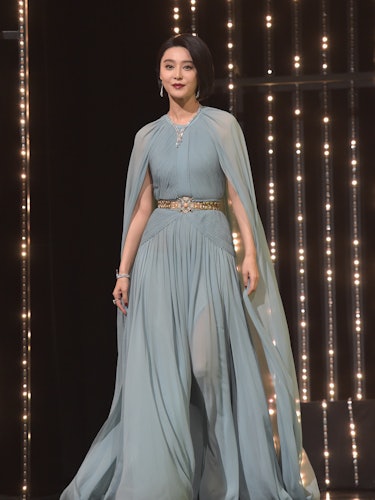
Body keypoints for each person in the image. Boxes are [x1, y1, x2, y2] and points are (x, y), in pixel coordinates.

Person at [61, 34, 320, 499]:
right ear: (159, 75)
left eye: (186, 66)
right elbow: (140, 209)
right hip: (158, 253)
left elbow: (239, 195)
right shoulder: (147, 136)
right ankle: (164, 483)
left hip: (209, 246)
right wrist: (123, 271)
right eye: (168, 66)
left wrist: (251, 255)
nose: (177, 74)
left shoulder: (222, 126)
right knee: (161, 370)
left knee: (206, 363)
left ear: (201, 73)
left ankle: (224, 479)